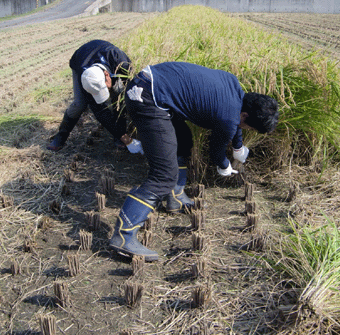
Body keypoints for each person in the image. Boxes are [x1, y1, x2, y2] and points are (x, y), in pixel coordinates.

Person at [109, 62, 279, 262]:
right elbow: (216, 153)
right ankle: (123, 236)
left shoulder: (235, 87)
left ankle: (175, 198)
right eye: (249, 127)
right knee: (163, 175)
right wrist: (225, 166)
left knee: (184, 143)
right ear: (245, 115)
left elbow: (235, 123)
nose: (245, 128)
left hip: (153, 86)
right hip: (147, 98)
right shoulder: (229, 117)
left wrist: (238, 147)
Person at [47, 39, 143, 154]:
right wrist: (127, 140)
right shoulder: (86, 79)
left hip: (105, 57)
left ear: (107, 75)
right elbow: (100, 112)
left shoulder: (120, 60)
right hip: (80, 59)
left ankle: (120, 132)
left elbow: (133, 88)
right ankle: (61, 136)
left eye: (104, 88)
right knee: (79, 104)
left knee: (118, 94)